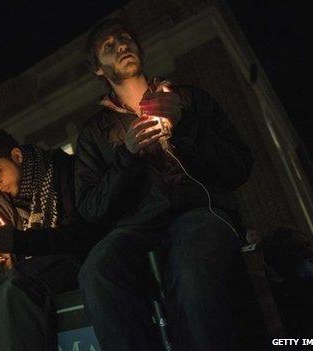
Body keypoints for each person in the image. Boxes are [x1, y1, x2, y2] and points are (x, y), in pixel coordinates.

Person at [75, 18, 253, 351]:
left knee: (191, 268)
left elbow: (239, 166)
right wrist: (127, 156)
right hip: (138, 224)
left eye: (126, 38)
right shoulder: (94, 133)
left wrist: (185, 127)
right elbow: (91, 207)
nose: (123, 46)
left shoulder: (188, 99)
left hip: (201, 210)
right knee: (97, 271)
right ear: (98, 69)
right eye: (109, 46)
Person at [0, 128, 103, 350]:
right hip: (24, 265)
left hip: (67, 258)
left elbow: (79, 236)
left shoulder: (63, 170)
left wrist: (16, 241)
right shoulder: (0, 196)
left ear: (17, 157)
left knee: (12, 287)